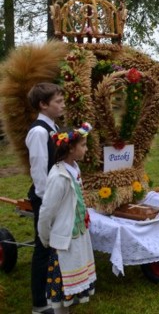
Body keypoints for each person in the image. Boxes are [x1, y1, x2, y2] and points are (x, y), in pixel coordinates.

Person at [38, 123, 96, 313]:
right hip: (64, 240)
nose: (86, 149)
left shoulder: (74, 168)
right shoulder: (58, 177)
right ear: (71, 148)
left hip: (77, 235)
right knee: (62, 288)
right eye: (83, 145)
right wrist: (45, 237)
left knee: (72, 284)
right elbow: (47, 211)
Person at [26, 82, 65, 314]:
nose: (62, 105)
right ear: (43, 104)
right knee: (42, 247)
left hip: (56, 195)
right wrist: (46, 202)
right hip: (45, 198)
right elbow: (39, 171)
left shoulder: (53, 127)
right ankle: (39, 304)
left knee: (53, 246)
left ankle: (54, 291)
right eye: (57, 102)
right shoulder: (39, 132)